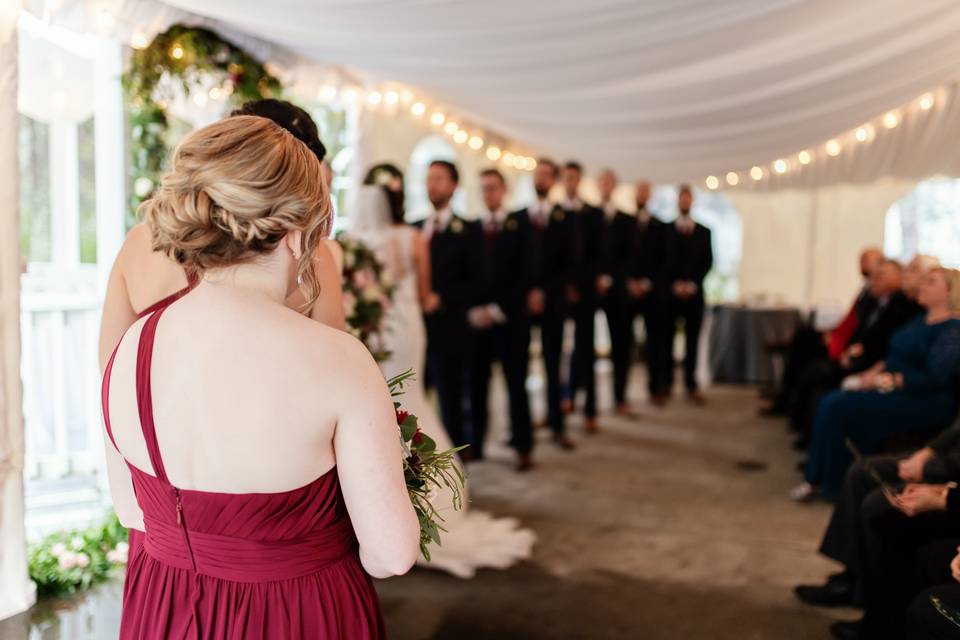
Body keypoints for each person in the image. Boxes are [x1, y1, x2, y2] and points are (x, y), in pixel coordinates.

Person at [101, 116, 419, 639]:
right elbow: (392, 554)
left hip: (166, 609)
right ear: (295, 237)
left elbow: (129, 508)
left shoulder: (130, 348)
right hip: (297, 615)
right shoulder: (339, 361)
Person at [98, 99, 348, 569]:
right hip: (270, 518)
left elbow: (111, 374)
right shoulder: (312, 257)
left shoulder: (138, 243)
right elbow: (336, 372)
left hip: (165, 513)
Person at [350, 183, 535, 578]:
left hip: (372, 327)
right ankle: (423, 492)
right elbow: (423, 291)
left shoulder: (350, 242)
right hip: (406, 327)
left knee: (379, 402)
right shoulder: (410, 235)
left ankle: (383, 506)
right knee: (411, 396)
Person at [795, 267, 960, 501]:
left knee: (838, 407)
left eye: (931, 282)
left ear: (950, 291)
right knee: (833, 399)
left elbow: (935, 377)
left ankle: (829, 484)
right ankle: (819, 476)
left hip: (923, 399)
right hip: (893, 388)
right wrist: (868, 375)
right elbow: (892, 356)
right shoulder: (920, 318)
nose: (922, 285)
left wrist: (884, 381)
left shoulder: (953, 329)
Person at [789, 259, 922, 447]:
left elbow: (896, 353)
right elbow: (863, 333)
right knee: (815, 370)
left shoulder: (908, 308)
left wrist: (874, 374)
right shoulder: (876, 301)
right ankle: (807, 433)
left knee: (825, 385)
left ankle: (812, 439)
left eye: (880, 276)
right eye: (873, 276)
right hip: (874, 365)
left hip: (882, 371)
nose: (873, 280)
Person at [468, 169, 536, 470]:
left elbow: (527, 274)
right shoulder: (473, 229)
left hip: (511, 321)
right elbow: (468, 275)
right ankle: (477, 444)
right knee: (477, 386)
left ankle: (523, 446)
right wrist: (476, 310)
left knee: (516, 385)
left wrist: (497, 309)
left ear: (504, 190)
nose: (488, 194)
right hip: (479, 324)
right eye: (483, 189)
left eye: (493, 188)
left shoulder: (522, 226)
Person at [414, 160, 484, 451]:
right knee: (415, 392)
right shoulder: (413, 227)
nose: (432, 185)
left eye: (439, 179)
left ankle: (454, 457)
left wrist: (442, 298)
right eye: (429, 179)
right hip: (416, 326)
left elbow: (477, 282)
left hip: (450, 327)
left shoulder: (468, 230)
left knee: (450, 395)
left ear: (454, 186)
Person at [764, 248, 884, 416]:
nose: (862, 264)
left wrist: (839, 340)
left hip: (851, 345)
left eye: (866, 260)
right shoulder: (868, 290)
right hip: (845, 338)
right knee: (803, 336)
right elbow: (851, 320)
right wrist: (834, 332)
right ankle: (787, 392)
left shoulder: (877, 295)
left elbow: (862, 328)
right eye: (861, 260)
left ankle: (787, 397)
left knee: (806, 347)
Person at [519, 158, 575, 450]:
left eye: (546, 176)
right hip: (522, 305)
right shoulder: (518, 218)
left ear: (553, 181)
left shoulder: (565, 219)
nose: (540, 179)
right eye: (537, 174)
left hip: (553, 303)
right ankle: (521, 426)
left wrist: (544, 292)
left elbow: (569, 264)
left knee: (555, 364)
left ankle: (557, 423)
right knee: (520, 366)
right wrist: (528, 292)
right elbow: (512, 263)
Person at [561, 161, 604, 433]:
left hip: (586, 293)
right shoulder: (555, 213)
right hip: (561, 294)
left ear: (580, 180)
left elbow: (599, 254)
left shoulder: (593, 214)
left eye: (575, 178)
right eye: (567, 178)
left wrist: (582, 284)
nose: (571, 182)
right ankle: (564, 402)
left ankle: (590, 409)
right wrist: (565, 285)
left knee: (586, 351)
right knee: (560, 353)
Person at [663, 185, 713, 404]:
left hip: (694, 296)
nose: (684, 202)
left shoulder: (704, 232)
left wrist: (692, 284)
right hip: (671, 295)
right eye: (681, 199)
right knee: (666, 340)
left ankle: (691, 384)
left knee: (693, 341)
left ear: (692, 202)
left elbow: (708, 262)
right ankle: (665, 383)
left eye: (688, 199)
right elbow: (660, 261)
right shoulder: (665, 230)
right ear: (677, 201)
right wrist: (674, 285)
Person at [596, 169, 636, 415]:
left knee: (621, 345)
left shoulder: (626, 220)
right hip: (590, 289)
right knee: (580, 346)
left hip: (618, 291)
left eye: (610, 182)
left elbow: (630, 257)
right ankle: (580, 398)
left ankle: (620, 396)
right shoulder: (586, 216)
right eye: (603, 182)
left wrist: (611, 279)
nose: (606, 186)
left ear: (615, 186)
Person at [628, 180, 670, 406]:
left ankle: (656, 387)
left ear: (650, 196)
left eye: (645, 192)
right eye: (639, 191)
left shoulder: (660, 226)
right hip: (627, 293)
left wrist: (646, 283)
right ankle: (621, 395)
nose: (642, 195)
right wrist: (630, 283)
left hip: (652, 294)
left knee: (655, 344)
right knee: (625, 345)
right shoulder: (624, 223)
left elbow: (665, 261)